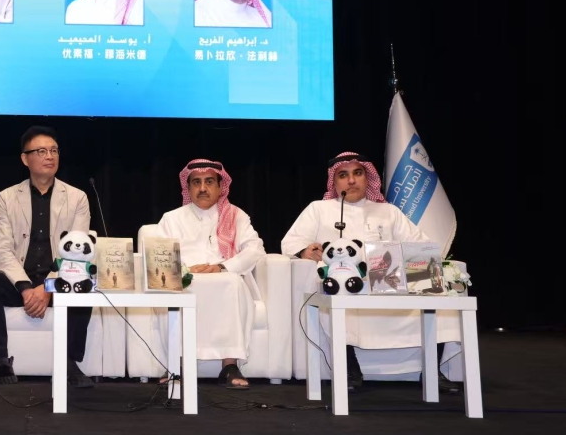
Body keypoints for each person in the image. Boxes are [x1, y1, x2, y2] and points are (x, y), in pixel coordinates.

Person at [281, 151, 462, 391]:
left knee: (433, 280)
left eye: (358, 173)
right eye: (343, 175)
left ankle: (431, 369)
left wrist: (412, 264)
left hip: (387, 278)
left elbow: (421, 246)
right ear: (334, 181)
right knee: (339, 286)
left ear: (368, 178)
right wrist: (305, 251)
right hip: (344, 281)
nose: (351, 180)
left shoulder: (388, 212)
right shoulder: (319, 209)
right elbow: (290, 242)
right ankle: (349, 368)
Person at [0, 126, 94, 388]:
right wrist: (25, 288)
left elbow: (75, 250)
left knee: (84, 282)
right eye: (42, 151)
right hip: (19, 282)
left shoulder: (77, 197)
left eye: (54, 150)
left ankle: (69, 363)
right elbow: (2, 250)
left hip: (58, 282)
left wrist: (47, 288)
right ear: (25, 159)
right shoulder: (7, 197)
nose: (50, 156)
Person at [153, 159, 265, 388]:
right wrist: (186, 269)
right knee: (179, 287)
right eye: (196, 182)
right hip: (186, 277)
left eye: (209, 182)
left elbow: (255, 248)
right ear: (188, 187)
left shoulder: (236, 215)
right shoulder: (171, 218)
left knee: (232, 284)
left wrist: (222, 267)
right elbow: (160, 254)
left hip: (224, 275)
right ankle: (177, 364)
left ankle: (229, 365)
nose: (203, 188)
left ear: (220, 186)